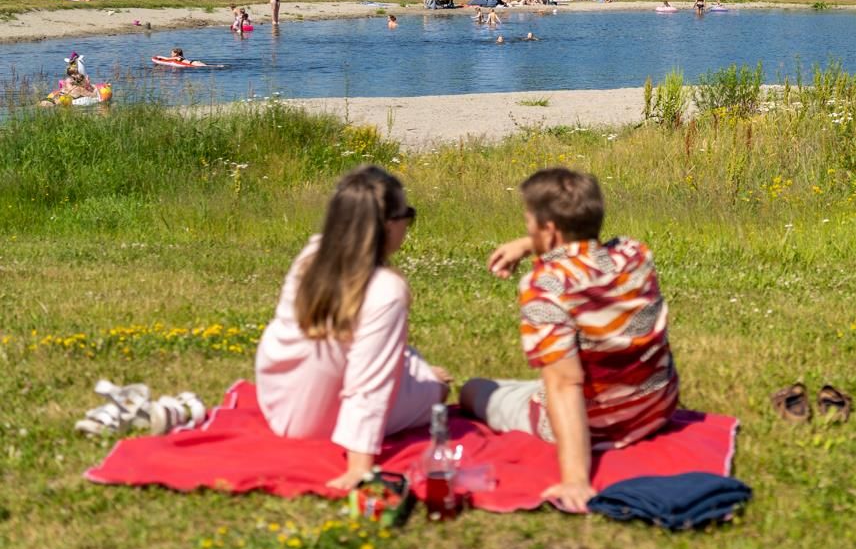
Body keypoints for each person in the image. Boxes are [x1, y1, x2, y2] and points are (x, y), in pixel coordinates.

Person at [462, 168, 679, 513]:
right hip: (656, 409)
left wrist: (576, 477)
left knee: (474, 389)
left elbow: (564, 383)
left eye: (529, 221)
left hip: (600, 428)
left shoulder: (544, 286)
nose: (527, 227)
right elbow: (582, 254)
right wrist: (529, 244)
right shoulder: (634, 253)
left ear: (548, 230)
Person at [255, 165, 450, 491]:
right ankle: (424, 377)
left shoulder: (313, 255)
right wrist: (359, 466)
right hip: (320, 420)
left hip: (277, 397)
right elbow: (369, 386)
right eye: (407, 216)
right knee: (437, 385)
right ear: (387, 226)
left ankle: (413, 369)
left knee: (402, 357)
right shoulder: (385, 290)